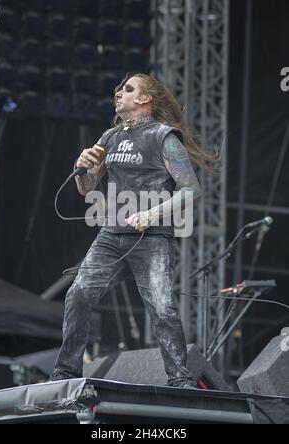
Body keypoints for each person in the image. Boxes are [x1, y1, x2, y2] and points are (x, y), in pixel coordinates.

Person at [50, 73, 216, 388]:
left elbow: (190, 189)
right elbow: (86, 188)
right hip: (111, 235)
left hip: (152, 239)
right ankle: (65, 373)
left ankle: (181, 379)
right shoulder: (109, 137)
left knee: (162, 308)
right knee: (78, 295)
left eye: (128, 89)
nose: (119, 92)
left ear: (144, 99)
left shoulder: (163, 136)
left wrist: (153, 213)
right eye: (119, 88)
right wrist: (81, 166)